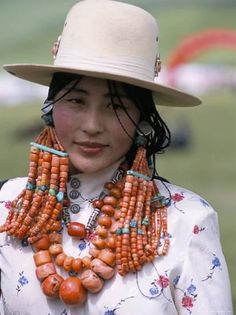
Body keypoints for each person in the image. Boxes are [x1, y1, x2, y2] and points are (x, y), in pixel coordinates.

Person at [0, 0, 233, 314]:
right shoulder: (9, 209)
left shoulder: (187, 220)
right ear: (51, 107)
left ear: (143, 118)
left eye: (116, 106)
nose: (92, 126)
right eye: (77, 101)